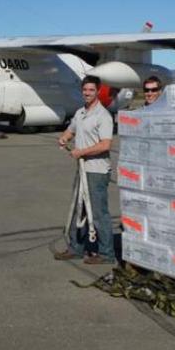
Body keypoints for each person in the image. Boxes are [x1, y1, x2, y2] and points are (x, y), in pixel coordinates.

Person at [54, 75, 116, 264]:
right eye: (85, 90)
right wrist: (64, 138)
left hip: (96, 171)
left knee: (98, 213)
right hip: (82, 170)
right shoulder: (80, 113)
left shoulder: (103, 116)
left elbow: (105, 145)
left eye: (91, 90)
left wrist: (81, 152)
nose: (87, 93)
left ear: (97, 91)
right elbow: (71, 130)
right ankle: (76, 248)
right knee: (77, 210)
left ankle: (106, 254)